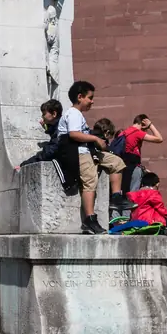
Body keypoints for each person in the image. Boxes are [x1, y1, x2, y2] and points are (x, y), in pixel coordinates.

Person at [57, 81, 126, 234]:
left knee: (117, 163)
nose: (92, 101)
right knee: (90, 182)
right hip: (78, 152)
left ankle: (116, 197)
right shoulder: (73, 113)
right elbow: (74, 134)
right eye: (90, 97)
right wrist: (95, 139)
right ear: (80, 97)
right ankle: (90, 219)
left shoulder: (78, 115)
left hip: (87, 150)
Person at [110, 114, 164, 207]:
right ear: (143, 123)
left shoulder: (124, 133)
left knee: (124, 193)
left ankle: (121, 218)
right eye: (146, 128)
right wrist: (150, 125)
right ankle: (131, 218)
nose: (146, 131)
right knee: (133, 196)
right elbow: (159, 139)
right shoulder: (136, 132)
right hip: (133, 167)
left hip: (122, 166)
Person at [17, 101, 64, 168]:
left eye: (44, 114)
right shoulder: (59, 125)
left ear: (54, 114)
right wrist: (48, 127)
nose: (42, 116)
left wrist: (24, 164)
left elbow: (49, 152)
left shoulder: (61, 128)